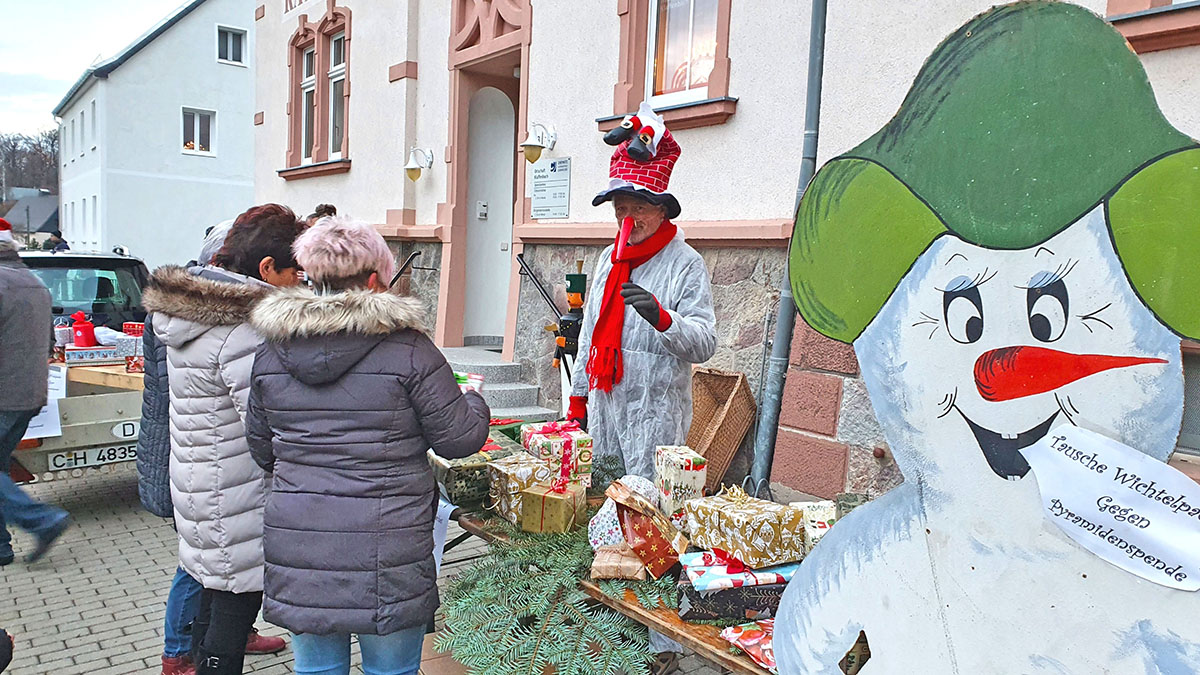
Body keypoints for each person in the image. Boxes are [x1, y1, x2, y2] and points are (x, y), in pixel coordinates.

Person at [246, 217, 491, 675]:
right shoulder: (409, 349)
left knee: (317, 671)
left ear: (310, 276)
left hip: (302, 543)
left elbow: (262, 450)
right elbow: (459, 439)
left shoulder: (272, 351)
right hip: (388, 548)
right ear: (376, 280)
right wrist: (473, 399)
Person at [569, 103, 716, 674]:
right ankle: (610, 622)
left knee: (653, 525)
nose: (627, 216)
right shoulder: (609, 258)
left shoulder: (685, 265)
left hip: (655, 416)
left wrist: (663, 319)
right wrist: (579, 396)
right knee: (606, 515)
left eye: (637, 206)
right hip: (607, 406)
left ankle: (660, 647)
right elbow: (589, 333)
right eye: (620, 207)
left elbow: (705, 343)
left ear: (661, 207)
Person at [144, 204, 306, 675]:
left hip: (202, 479)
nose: (301, 281)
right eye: (295, 271)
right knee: (234, 609)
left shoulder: (193, 314)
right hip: (236, 490)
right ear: (267, 269)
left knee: (213, 597)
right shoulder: (242, 329)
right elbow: (265, 421)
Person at [0, 218, 70, 568]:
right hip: (29, 394)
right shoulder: (35, 282)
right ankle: (1, 547)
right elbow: (50, 341)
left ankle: (42, 520)